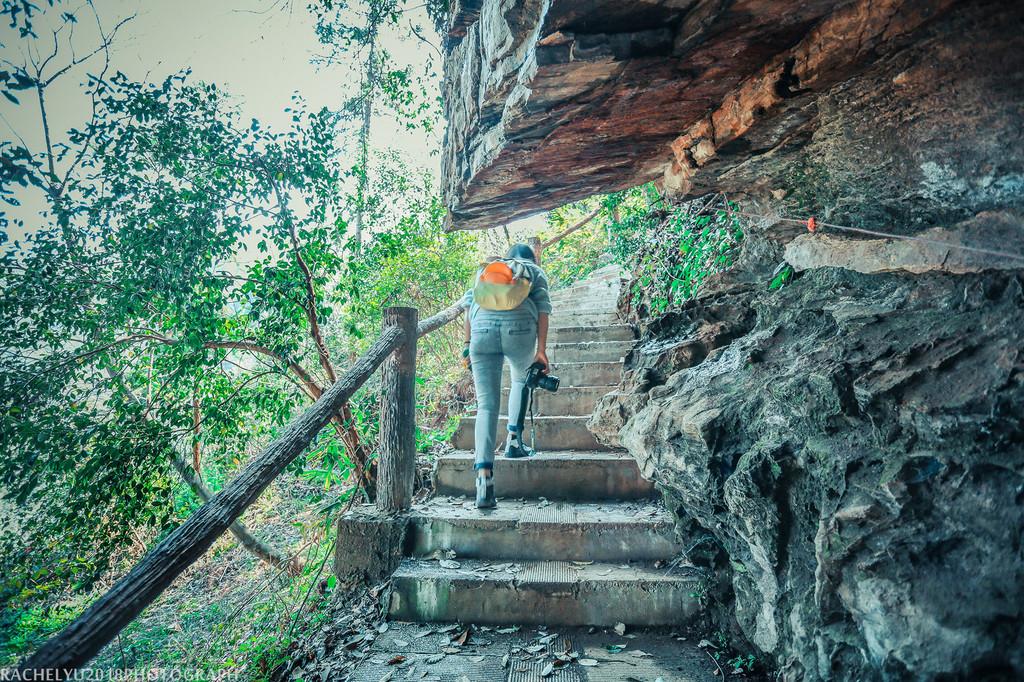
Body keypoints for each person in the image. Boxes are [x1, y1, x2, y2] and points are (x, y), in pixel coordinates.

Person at [460, 243, 552, 509]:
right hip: (520, 330)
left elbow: (468, 307)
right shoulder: (533, 271)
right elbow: (543, 309)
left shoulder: (486, 270)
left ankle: (483, 480)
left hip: (481, 331)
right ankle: (513, 441)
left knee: (486, 405)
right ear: (530, 259)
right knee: (520, 381)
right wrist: (542, 350)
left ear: (507, 257)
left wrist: (467, 345)